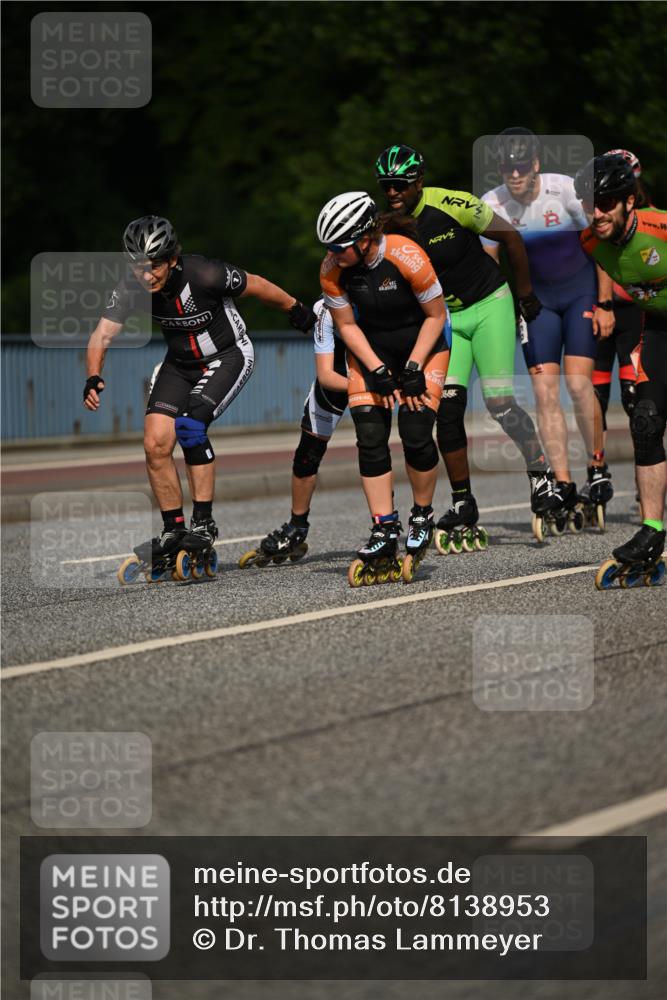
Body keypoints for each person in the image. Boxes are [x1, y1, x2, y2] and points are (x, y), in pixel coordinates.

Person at [84, 214, 316, 576]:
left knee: (190, 426)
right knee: (155, 442)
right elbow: (101, 335)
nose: (147, 276)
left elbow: (257, 285)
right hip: (180, 365)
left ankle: (204, 524)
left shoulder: (204, 274)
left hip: (229, 356)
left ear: (173, 258)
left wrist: (296, 309)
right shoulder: (130, 288)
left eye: (155, 266)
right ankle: (174, 530)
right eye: (138, 267)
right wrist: (93, 375)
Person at [374, 143, 559, 549]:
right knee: (447, 410)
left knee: (499, 404)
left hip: (490, 303)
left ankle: (540, 472)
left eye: (400, 185)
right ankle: (463, 502)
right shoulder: (385, 230)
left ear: (418, 182)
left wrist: (525, 295)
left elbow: (509, 237)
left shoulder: (452, 204)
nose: (392, 193)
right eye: (386, 186)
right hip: (448, 322)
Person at [481, 127, 616, 532]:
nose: (515, 175)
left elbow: (601, 246)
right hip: (536, 304)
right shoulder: (494, 203)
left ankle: (596, 465)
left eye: (522, 167)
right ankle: (562, 482)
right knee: (543, 392)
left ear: (536, 164)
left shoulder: (566, 190)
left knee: (578, 386)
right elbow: (489, 266)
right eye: (507, 168)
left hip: (578, 295)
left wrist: (605, 302)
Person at [317, 191, 450, 584]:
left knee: (415, 432)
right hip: (372, 348)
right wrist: (375, 369)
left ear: (364, 239)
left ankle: (422, 516)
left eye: (339, 247)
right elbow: (346, 326)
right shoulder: (332, 269)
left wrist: (412, 367)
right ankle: (384, 526)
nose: (332, 255)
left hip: (424, 344)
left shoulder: (406, 254)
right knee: (370, 434)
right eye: (328, 248)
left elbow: (436, 315)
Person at [575, 154, 666, 584]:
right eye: (590, 202)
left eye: (607, 202)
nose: (597, 213)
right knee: (645, 421)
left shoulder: (660, 228)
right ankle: (652, 531)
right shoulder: (591, 242)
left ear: (630, 201)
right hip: (661, 329)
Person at [238, 298, 349, 567]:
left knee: (379, 443)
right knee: (307, 455)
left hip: (382, 365)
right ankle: (297, 526)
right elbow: (325, 373)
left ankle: (400, 520)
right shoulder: (324, 307)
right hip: (338, 374)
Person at [591, 149, 650, 515]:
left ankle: (645, 473)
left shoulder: (648, 219)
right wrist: (603, 303)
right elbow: (601, 257)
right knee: (594, 394)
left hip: (636, 313)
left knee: (635, 399)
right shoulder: (600, 219)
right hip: (606, 307)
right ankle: (596, 470)